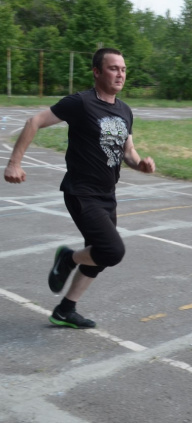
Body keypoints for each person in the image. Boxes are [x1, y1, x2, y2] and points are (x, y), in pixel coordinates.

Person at [4, 48, 156, 329]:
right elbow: (33, 121)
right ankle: (68, 258)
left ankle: (65, 310)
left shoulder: (124, 110)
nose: (120, 74)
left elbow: (128, 151)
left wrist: (140, 164)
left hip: (107, 194)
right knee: (111, 250)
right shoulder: (81, 103)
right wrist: (14, 163)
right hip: (81, 192)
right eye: (113, 68)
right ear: (97, 72)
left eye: (123, 69)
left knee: (98, 256)